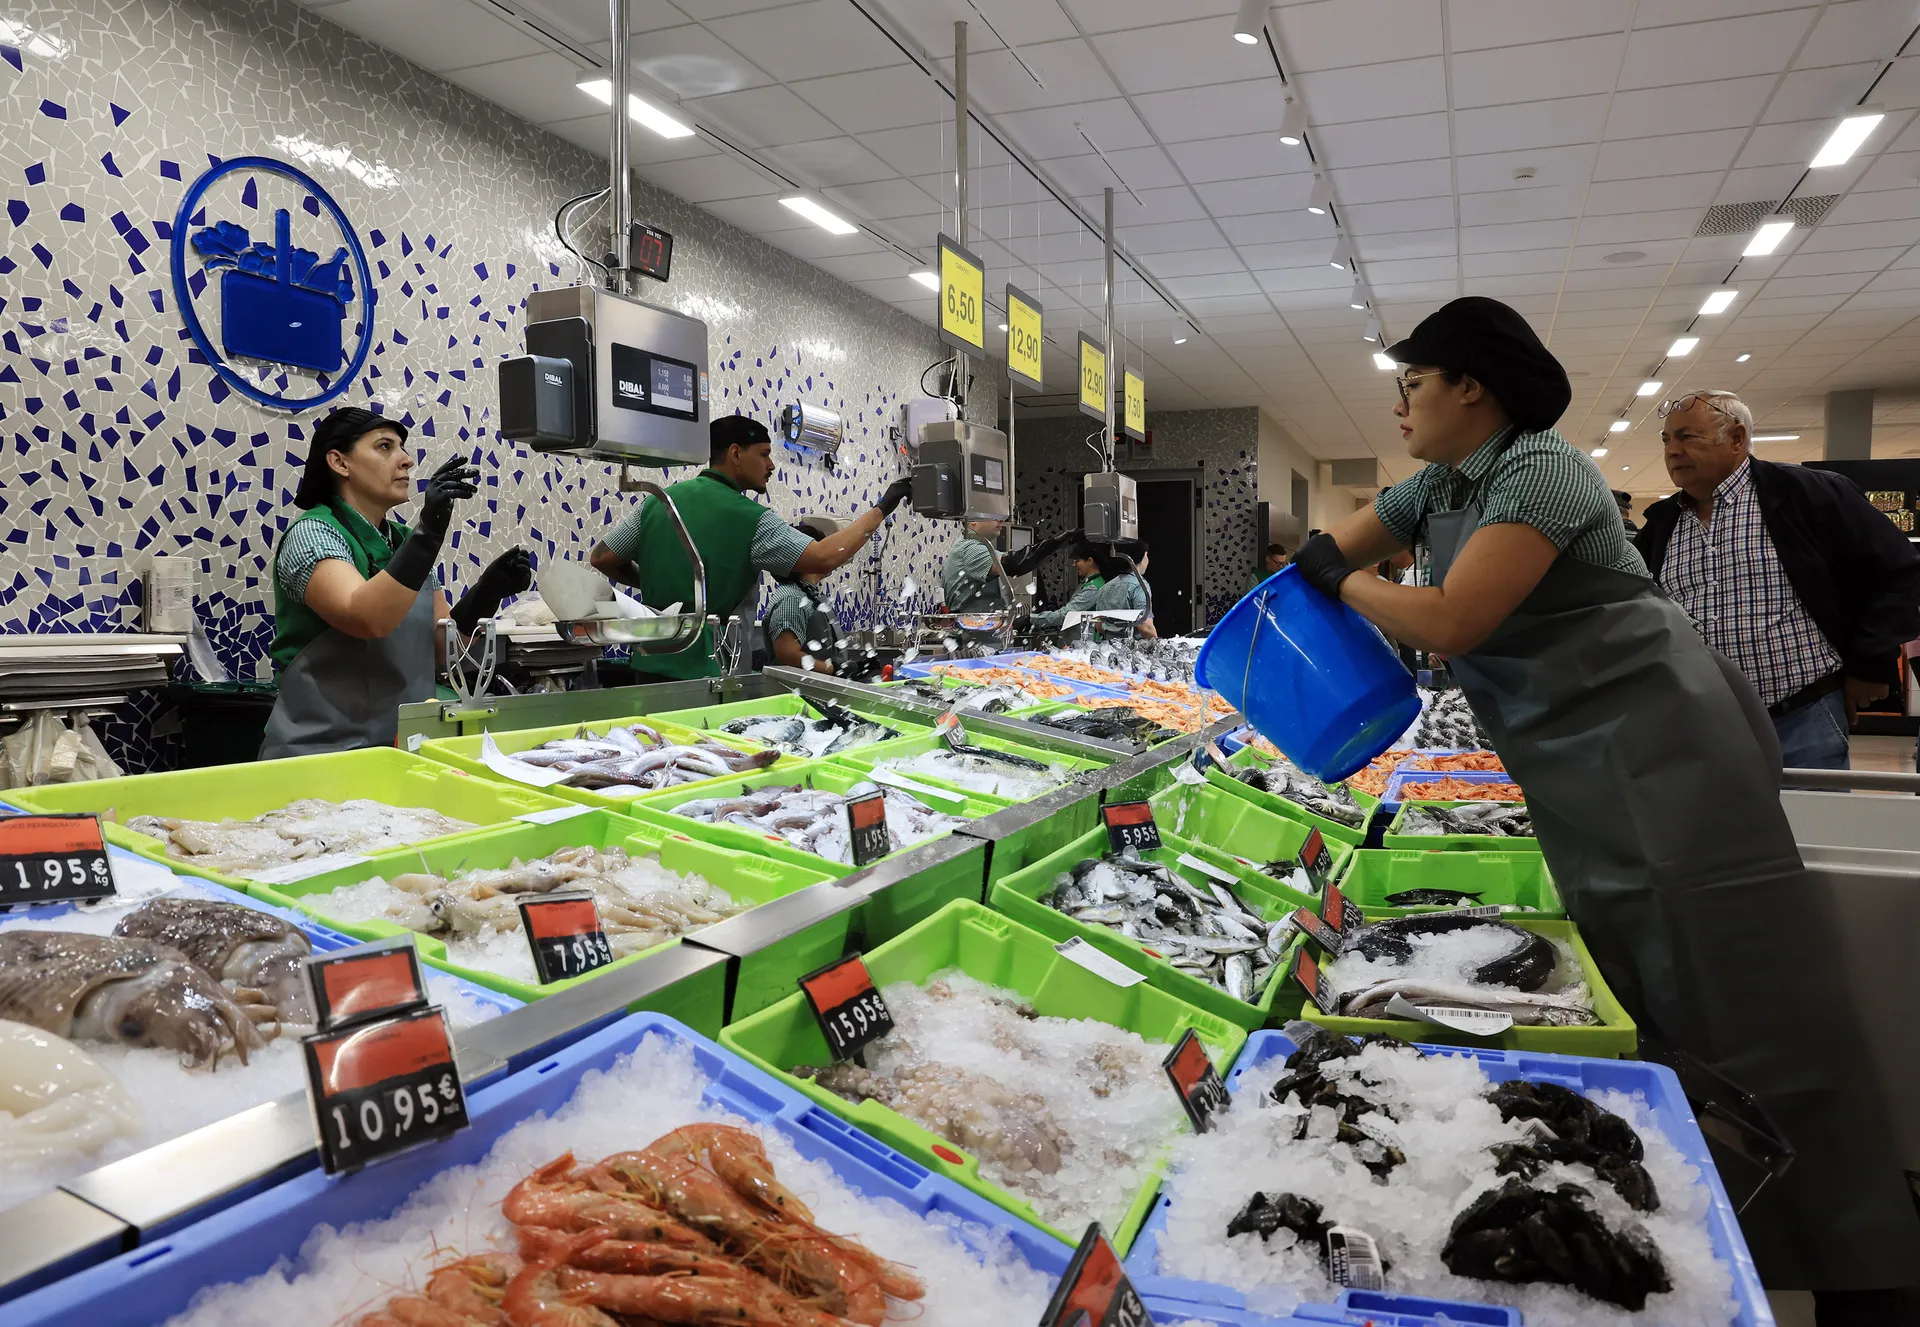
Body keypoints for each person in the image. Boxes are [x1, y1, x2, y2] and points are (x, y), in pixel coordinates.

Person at [1289, 296, 1919, 1323]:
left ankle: (1858, 1266)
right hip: (1583, 766)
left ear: (1471, 386)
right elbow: (1330, 554)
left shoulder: (1544, 467)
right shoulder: (1443, 483)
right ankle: (1700, 1229)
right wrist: (1316, 582)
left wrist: (1344, 580)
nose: (1400, 403)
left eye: (1413, 382)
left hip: (1669, 750)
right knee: (1639, 985)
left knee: (1746, 993)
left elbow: (1452, 616)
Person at [1637, 390, 1920, 771]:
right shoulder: (1662, 525)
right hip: (1702, 726)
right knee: (1720, 830)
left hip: (1803, 716)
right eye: (1667, 440)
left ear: (1737, 438)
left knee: (1808, 828)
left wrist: (1870, 663)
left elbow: (1897, 571)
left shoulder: (1808, 494)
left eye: (1687, 437)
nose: (1672, 450)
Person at [263, 407, 531, 758]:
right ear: (340, 463)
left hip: (399, 751)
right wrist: (427, 535)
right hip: (318, 754)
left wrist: (486, 592)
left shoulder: (404, 541)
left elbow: (442, 652)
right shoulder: (314, 533)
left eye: (403, 448)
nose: (406, 460)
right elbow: (366, 618)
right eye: (385, 447)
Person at [591, 415, 912, 680]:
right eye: (763, 453)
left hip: (647, 665)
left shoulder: (660, 501)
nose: (771, 465)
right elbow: (824, 558)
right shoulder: (750, 518)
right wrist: (883, 506)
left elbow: (603, 557)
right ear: (735, 453)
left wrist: (652, 582)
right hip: (710, 673)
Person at [761, 523, 846, 675]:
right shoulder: (791, 599)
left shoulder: (809, 595)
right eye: (821, 551)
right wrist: (833, 669)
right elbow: (787, 655)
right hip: (796, 695)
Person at [941, 520, 1076, 613]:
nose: (1000, 521)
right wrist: (1056, 543)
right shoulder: (970, 548)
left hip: (980, 629)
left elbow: (1014, 558)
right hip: (971, 631)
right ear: (972, 521)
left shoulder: (980, 547)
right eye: (992, 516)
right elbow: (1012, 564)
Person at [1029, 539, 1105, 633]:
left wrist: (1030, 619)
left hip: (1083, 643)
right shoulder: (1089, 582)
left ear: (1089, 561)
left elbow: (1067, 614)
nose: (1073, 564)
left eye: (1077, 560)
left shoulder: (1093, 588)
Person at [1091, 539, 1156, 639]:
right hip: (1133, 650)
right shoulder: (1139, 586)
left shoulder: (1106, 587)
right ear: (1142, 558)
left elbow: (1099, 626)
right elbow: (1145, 627)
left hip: (1108, 648)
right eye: (1146, 556)